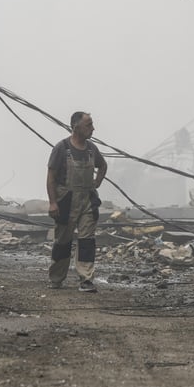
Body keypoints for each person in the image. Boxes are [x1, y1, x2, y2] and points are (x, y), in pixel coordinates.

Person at [46, 111, 107, 292]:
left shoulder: (91, 149)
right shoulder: (61, 148)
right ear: (76, 127)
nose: (93, 128)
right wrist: (53, 202)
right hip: (66, 201)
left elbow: (102, 165)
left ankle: (86, 279)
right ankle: (56, 278)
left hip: (87, 200)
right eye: (88, 125)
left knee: (87, 241)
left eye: (92, 124)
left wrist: (97, 182)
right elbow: (51, 177)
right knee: (63, 241)